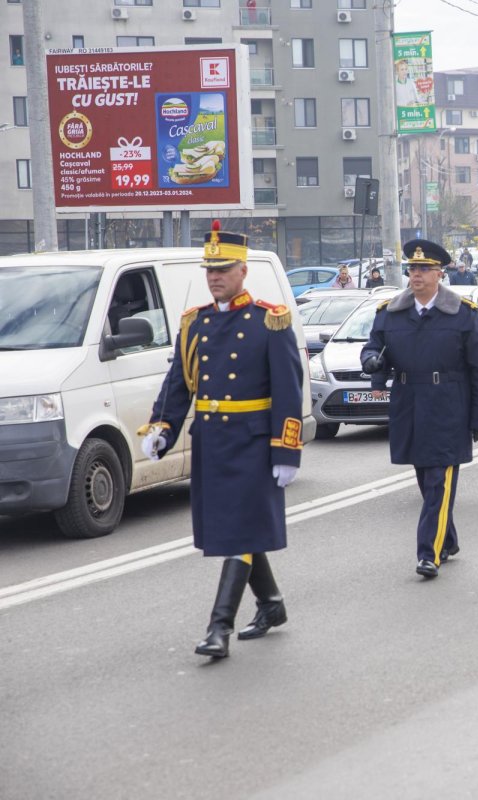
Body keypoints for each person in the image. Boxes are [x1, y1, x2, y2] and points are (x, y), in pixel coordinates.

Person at [141, 222, 304, 659]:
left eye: (223, 269)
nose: (214, 277)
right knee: (237, 531)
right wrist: (162, 427)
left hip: (253, 442)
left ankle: (219, 628)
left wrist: (286, 450)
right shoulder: (196, 322)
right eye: (209, 270)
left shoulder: (270, 320)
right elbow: (180, 383)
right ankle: (270, 604)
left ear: (242, 271)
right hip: (212, 441)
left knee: (239, 533)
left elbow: (289, 390)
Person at [360, 239, 478, 578]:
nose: (415, 275)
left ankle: (428, 554)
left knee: (438, 481)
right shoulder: (391, 312)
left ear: (440, 273)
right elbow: (373, 346)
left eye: (423, 269)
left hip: (449, 405)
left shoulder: (463, 313)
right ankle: (446, 540)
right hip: (409, 404)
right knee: (425, 478)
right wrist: (372, 361)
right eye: (412, 269)